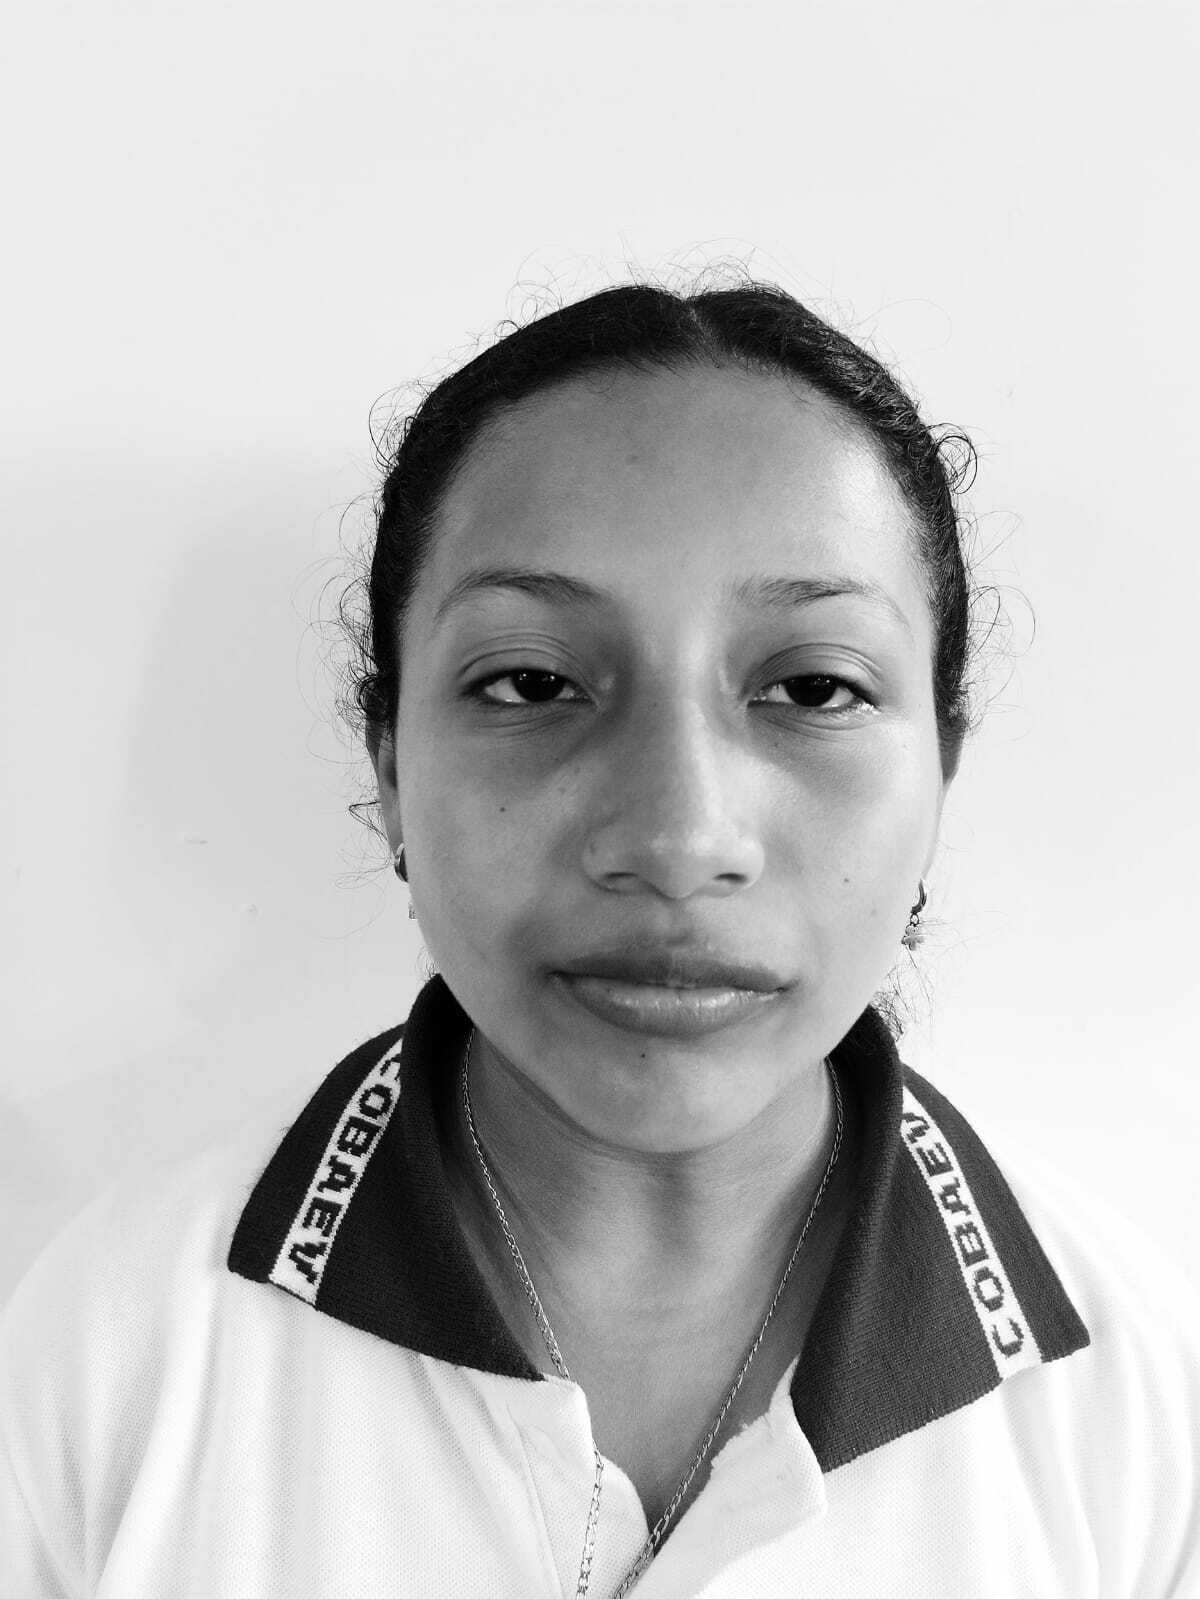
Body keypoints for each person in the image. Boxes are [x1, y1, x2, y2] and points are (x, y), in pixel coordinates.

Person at [3, 281, 1198, 1598]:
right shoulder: (106, 1364)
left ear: (941, 773)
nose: (679, 838)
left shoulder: (1139, 1416)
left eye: (812, 687)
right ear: (392, 766)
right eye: (533, 682)